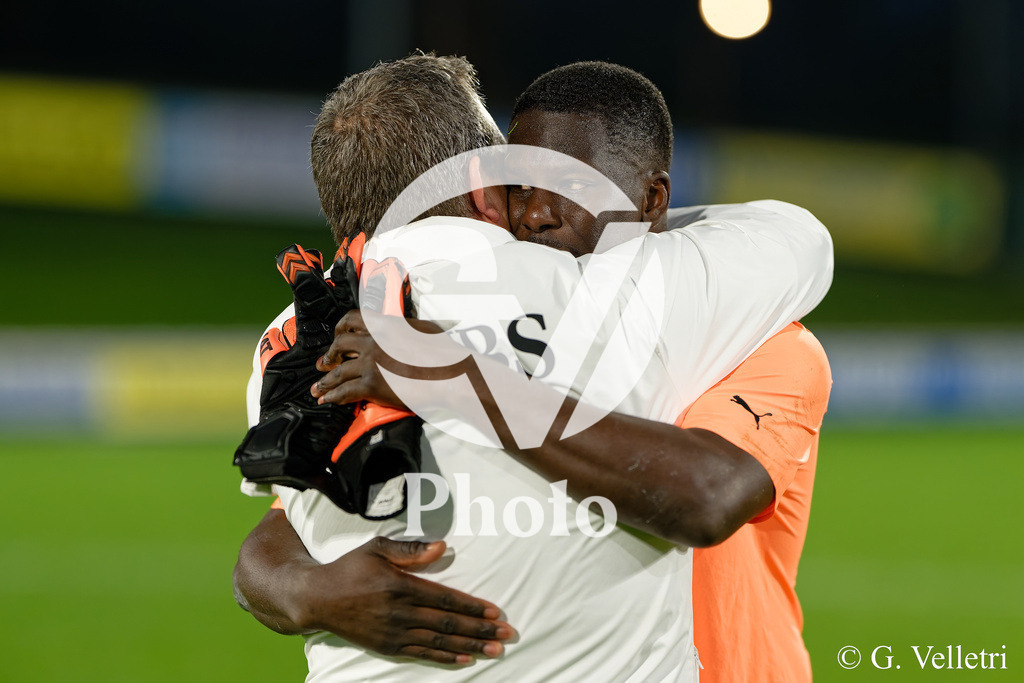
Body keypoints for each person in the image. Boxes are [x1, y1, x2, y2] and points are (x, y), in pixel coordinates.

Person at [234, 56, 831, 681]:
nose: (539, 215)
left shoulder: (296, 338)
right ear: (485, 186)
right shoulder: (635, 291)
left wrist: (450, 375)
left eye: (575, 187)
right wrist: (307, 590)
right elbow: (283, 530)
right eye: (520, 183)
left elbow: (710, 497)